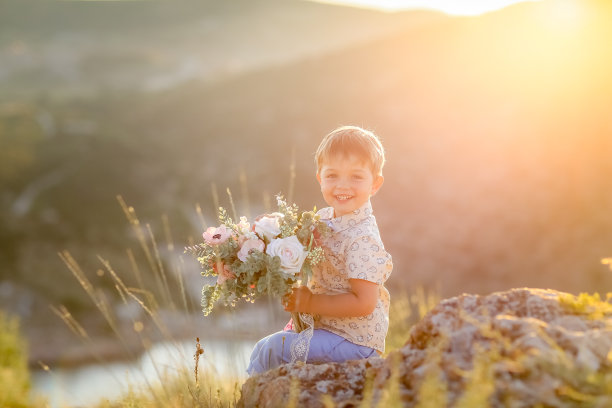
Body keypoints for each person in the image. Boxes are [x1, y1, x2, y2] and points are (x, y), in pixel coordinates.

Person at [247, 125, 393, 375]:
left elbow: (365, 303)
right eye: (332, 176)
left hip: (354, 341)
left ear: (375, 184)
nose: (342, 186)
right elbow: (296, 236)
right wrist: (271, 230)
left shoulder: (363, 238)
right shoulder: (326, 219)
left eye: (356, 177)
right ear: (320, 178)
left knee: (273, 349)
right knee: (265, 347)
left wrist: (312, 302)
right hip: (328, 331)